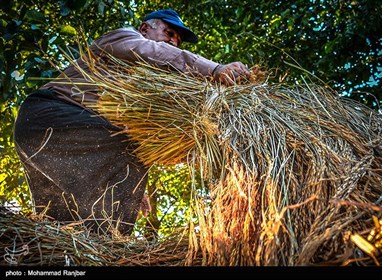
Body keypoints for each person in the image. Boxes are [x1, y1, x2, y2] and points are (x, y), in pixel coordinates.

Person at [13, 9, 250, 235]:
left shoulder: (140, 86)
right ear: (145, 28)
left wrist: (128, 182)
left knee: (68, 212)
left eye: (178, 40)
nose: (174, 42)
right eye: (169, 33)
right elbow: (152, 52)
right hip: (51, 114)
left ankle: (76, 253)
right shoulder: (125, 37)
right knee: (132, 150)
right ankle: (110, 242)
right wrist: (214, 70)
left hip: (46, 133)